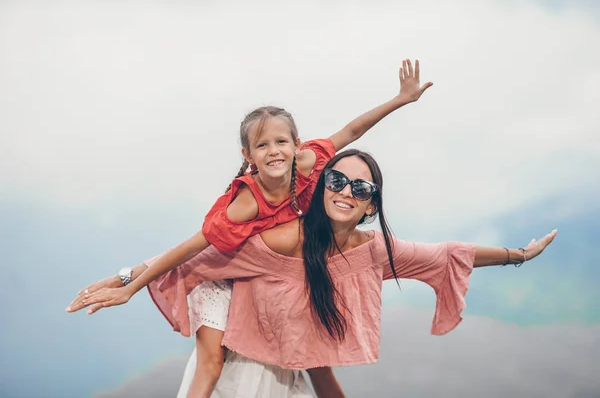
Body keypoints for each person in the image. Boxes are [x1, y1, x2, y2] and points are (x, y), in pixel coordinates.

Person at [67, 60, 434, 397]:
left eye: (280, 142)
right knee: (211, 366)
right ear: (248, 155)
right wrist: (129, 286)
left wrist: (401, 99)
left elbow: (353, 129)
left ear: (297, 145)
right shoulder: (246, 203)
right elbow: (192, 250)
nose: (273, 151)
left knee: (310, 357)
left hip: (259, 271)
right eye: (262, 145)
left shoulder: (309, 163)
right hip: (219, 278)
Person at [70, 149, 557, 396]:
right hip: (239, 377)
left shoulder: (375, 252)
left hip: (289, 377)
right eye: (337, 180)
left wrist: (518, 255)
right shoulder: (285, 240)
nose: (346, 191)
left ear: (371, 203)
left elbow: (450, 253)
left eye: (360, 187)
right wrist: (125, 279)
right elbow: (201, 256)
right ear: (322, 185)